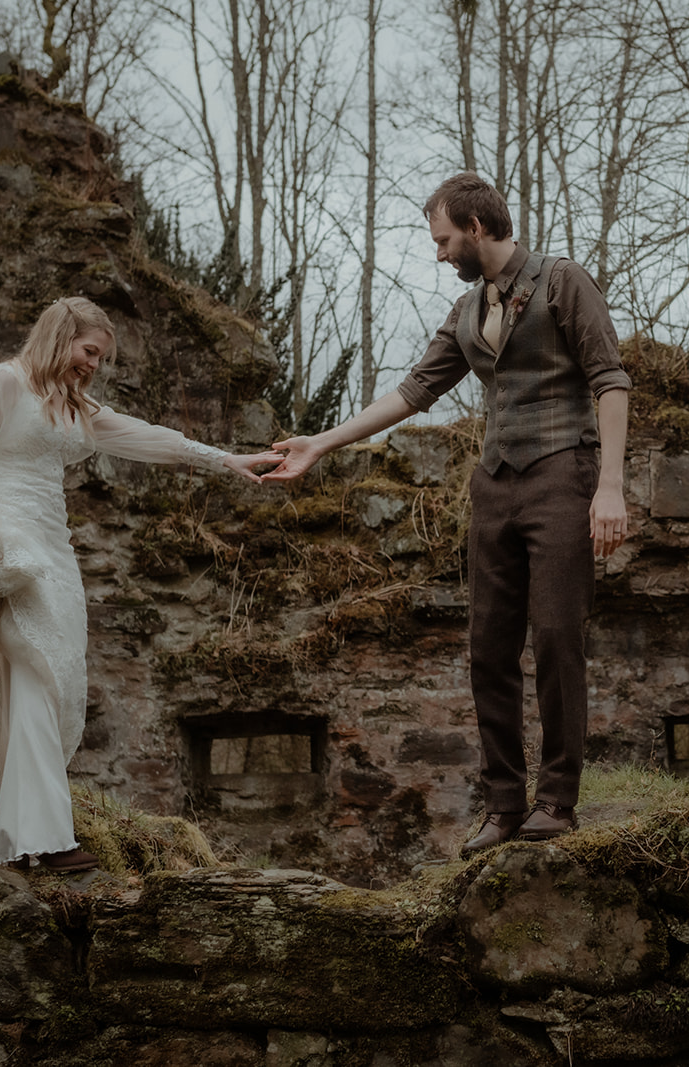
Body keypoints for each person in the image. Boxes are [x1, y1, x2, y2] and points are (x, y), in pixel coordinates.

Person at [262, 172, 630, 857]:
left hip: (564, 476)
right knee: (488, 648)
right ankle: (503, 804)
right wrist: (321, 442)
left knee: (555, 637)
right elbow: (410, 393)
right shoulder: (466, 312)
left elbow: (610, 379)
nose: (439, 253)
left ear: (477, 226)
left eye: (443, 239)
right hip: (495, 485)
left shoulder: (562, 281)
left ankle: (557, 798)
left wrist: (609, 486)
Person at [0, 296, 279, 872]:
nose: (94, 366)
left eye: (101, 358)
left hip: (57, 552)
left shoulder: (75, 407)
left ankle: (13, 834)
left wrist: (225, 459)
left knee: (50, 678)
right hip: (12, 546)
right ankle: (44, 840)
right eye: (89, 352)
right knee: (31, 672)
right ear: (60, 336)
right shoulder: (1, 384)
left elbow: (149, 437)